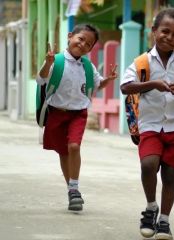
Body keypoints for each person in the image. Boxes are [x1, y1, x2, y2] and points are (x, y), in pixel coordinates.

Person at [120, 8, 174, 240]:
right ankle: (151, 207)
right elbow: (125, 87)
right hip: (150, 124)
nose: (169, 37)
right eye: (165, 31)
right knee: (148, 164)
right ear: (154, 31)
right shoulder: (141, 62)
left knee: (170, 174)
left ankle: (165, 221)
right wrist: (152, 84)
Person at [36, 24, 118, 211]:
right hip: (56, 112)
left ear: (90, 49)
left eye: (88, 44)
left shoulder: (88, 66)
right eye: (80, 39)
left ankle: (74, 188)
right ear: (70, 36)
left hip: (78, 113)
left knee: (74, 146)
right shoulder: (55, 60)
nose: (82, 45)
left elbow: (98, 85)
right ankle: (71, 190)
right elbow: (41, 79)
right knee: (63, 152)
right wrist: (48, 63)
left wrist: (108, 80)